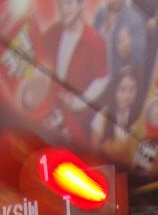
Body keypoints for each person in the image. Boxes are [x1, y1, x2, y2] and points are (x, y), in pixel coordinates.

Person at [21, 0, 109, 147]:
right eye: (60, 5)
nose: (64, 9)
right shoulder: (55, 32)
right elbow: (38, 50)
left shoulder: (93, 40)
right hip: (51, 115)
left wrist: (77, 102)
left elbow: (102, 79)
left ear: (81, 5)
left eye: (68, 3)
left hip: (79, 125)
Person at [90, 66, 140, 162]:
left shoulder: (138, 117)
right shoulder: (103, 116)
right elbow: (93, 152)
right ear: (114, 90)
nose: (127, 96)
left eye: (132, 90)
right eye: (122, 89)